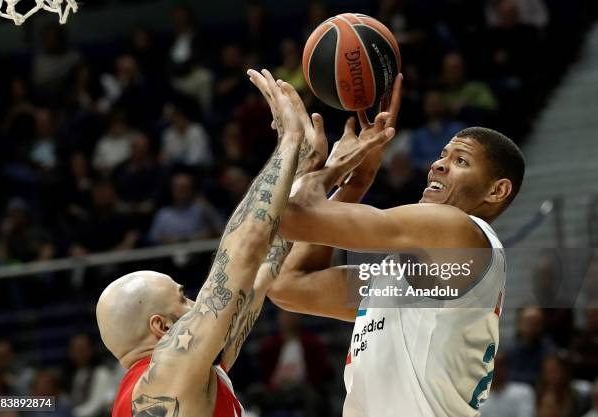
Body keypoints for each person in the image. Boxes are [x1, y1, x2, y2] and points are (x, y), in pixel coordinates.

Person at [96, 70, 392, 417]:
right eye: (183, 298)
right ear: (161, 327)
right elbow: (242, 251)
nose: (197, 300)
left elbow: (264, 272)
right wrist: (289, 142)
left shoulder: (194, 372)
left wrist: (324, 174)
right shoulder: (164, 376)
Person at [256, 72, 525, 417]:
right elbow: (287, 286)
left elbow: (289, 216)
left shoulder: (457, 229)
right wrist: (359, 180)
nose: (439, 165)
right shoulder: (417, 274)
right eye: (442, 155)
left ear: (496, 191)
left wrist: (321, 161)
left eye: (460, 161)